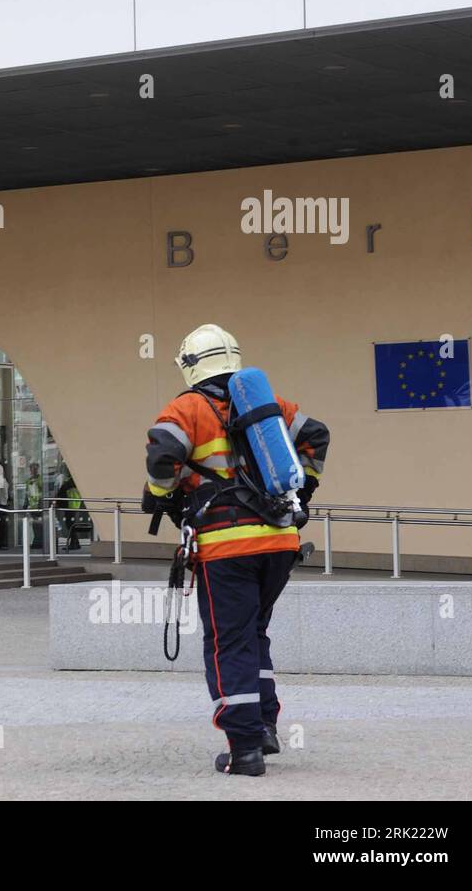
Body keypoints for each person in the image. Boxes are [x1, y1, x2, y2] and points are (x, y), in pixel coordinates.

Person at [142, 324, 329, 777]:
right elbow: (317, 436)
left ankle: (244, 749)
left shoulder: (187, 407)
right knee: (253, 635)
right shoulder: (270, 407)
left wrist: (161, 493)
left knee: (229, 643)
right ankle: (264, 727)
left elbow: (162, 452)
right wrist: (301, 497)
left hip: (228, 547)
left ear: (190, 366)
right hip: (281, 542)